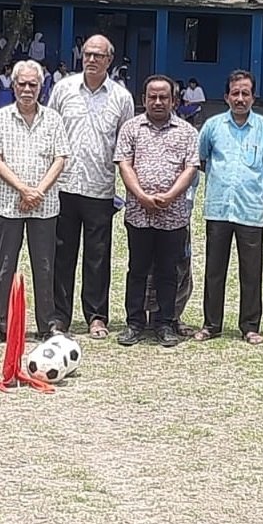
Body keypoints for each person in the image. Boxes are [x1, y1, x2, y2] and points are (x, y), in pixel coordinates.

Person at [0, 60, 70, 344]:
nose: (27, 89)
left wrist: (37, 191)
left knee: (45, 267)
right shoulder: (0, 118)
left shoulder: (53, 119)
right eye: (22, 84)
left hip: (44, 205)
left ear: (41, 87)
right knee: (5, 266)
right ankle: (2, 325)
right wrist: (23, 190)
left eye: (33, 84)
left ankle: (47, 325)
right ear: (13, 85)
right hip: (9, 204)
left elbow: (60, 158)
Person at [46, 35, 133, 338]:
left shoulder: (121, 97)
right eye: (87, 54)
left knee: (98, 256)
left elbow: (125, 144)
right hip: (64, 185)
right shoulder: (63, 89)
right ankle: (59, 316)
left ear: (110, 59)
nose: (92, 59)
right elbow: (50, 131)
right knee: (62, 254)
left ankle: (96, 316)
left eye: (98, 55)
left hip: (100, 187)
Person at [193, 70, 263, 345]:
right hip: (218, 208)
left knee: (251, 272)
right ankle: (211, 325)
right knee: (214, 270)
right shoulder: (212, 126)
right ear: (226, 96)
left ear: (253, 97)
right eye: (235, 93)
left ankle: (250, 326)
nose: (240, 98)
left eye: (245, 93)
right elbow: (201, 160)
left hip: (250, 210)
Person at [114, 75, 199, 347]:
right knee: (137, 269)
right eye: (153, 97)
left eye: (164, 97)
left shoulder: (187, 132)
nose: (158, 102)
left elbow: (191, 168)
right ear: (144, 99)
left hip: (173, 216)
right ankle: (134, 323)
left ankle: (165, 323)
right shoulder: (131, 128)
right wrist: (141, 195)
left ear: (174, 101)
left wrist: (170, 196)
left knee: (168, 271)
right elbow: (124, 164)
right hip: (138, 214)